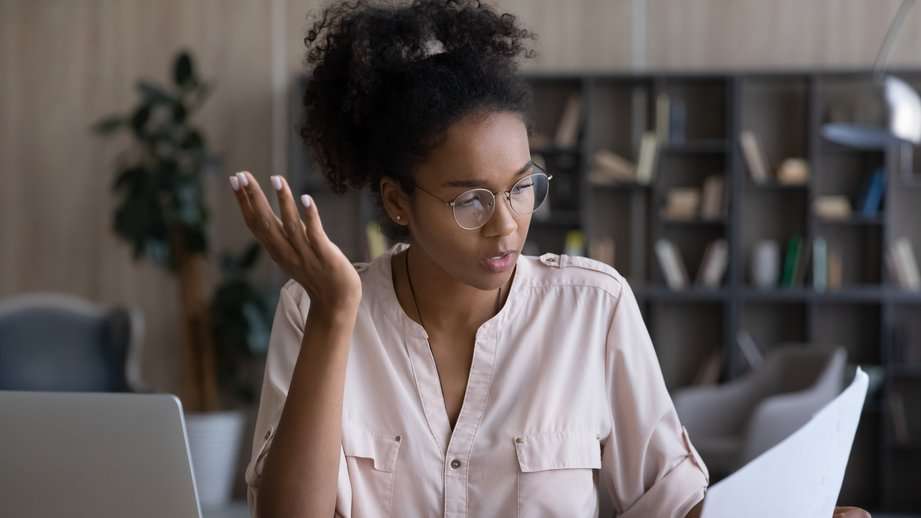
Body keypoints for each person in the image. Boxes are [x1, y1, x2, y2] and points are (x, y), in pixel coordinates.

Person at [229, 1, 871, 517]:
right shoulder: (315, 311)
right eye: (471, 201)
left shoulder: (594, 308)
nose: (507, 225)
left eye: (520, 186)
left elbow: (672, 505)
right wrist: (338, 313)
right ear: (398, 202)